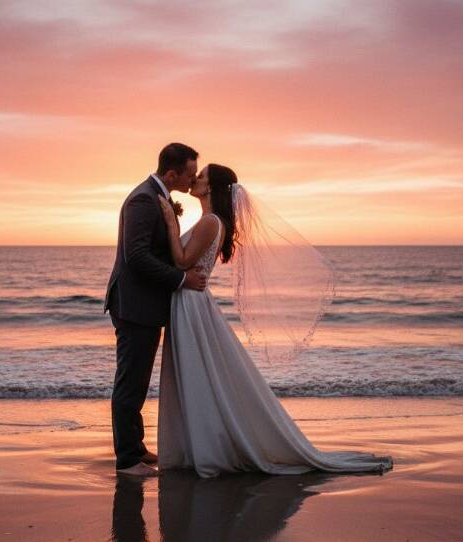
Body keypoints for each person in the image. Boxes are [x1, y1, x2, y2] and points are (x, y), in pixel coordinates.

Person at [156, 163, 394, 478]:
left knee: (198, 371)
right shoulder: (209, 221)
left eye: (201, 177)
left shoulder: (211, 222)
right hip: (189, 301)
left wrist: (171, 225)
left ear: (211, 188)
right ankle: (196, 443)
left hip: (191, 302)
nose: (195, 180)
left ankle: (208, 447)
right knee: (197, 372)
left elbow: (183, 261)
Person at [104, 143, 207, 477]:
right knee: (130, 382)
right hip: (134, 306)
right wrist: (181, 279)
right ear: (172, 173)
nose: (192, 181)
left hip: (145, 305)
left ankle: (137, 446)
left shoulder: (157, 197)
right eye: (190, 174)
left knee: (138, 380)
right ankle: (128, 460)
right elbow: (136, 256)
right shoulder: (144, 199)